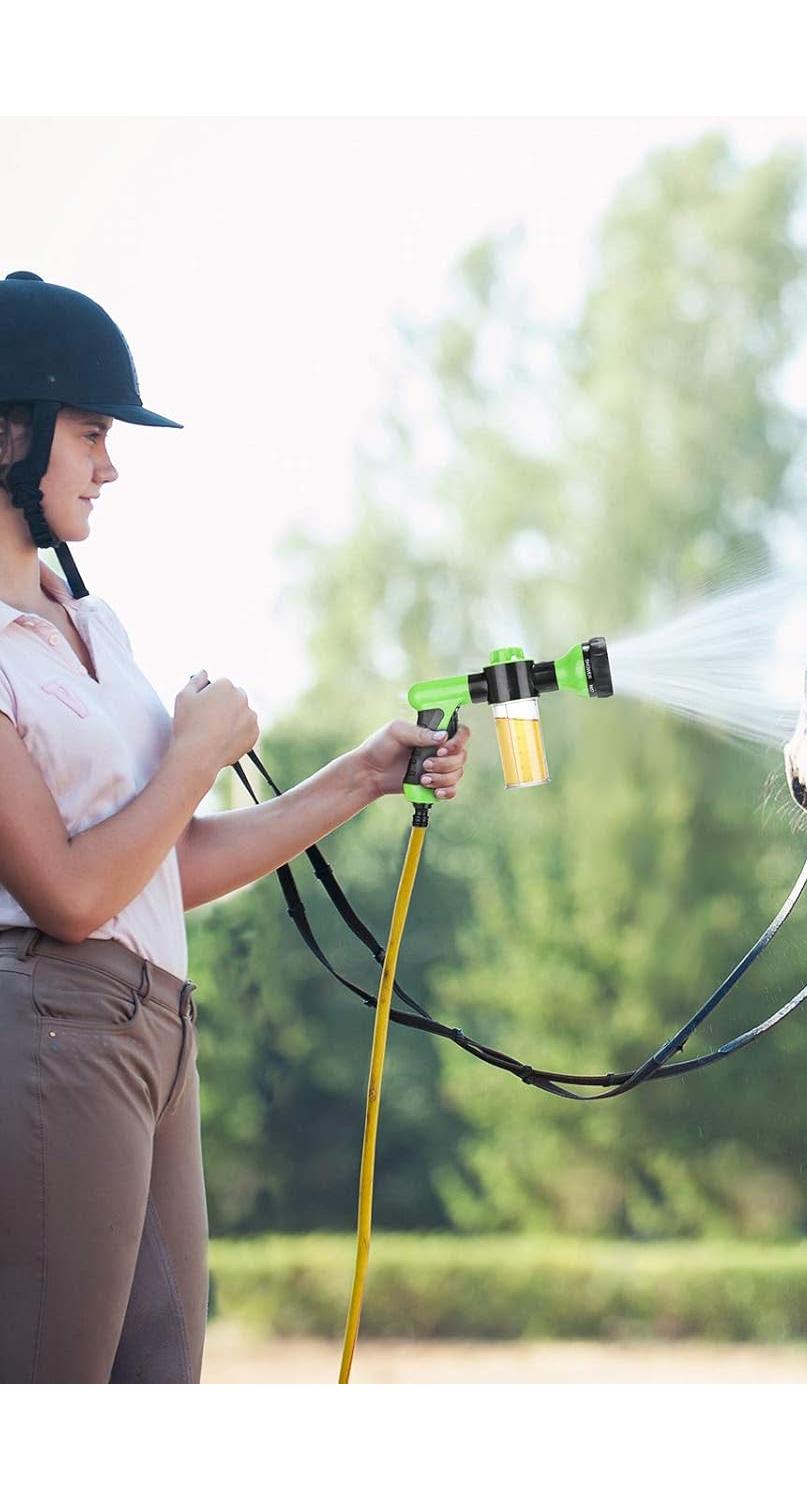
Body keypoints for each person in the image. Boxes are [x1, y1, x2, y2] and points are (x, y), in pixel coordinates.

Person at [0, 270, 472, 1382]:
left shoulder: (92, 624)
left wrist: (360, 776)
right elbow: (71, 895)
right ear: (9, 434)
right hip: (54, 1021)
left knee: (163, 1384)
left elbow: (163, 868)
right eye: (90, 434)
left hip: (157, 1028)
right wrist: (196, 754)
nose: (110, 465)